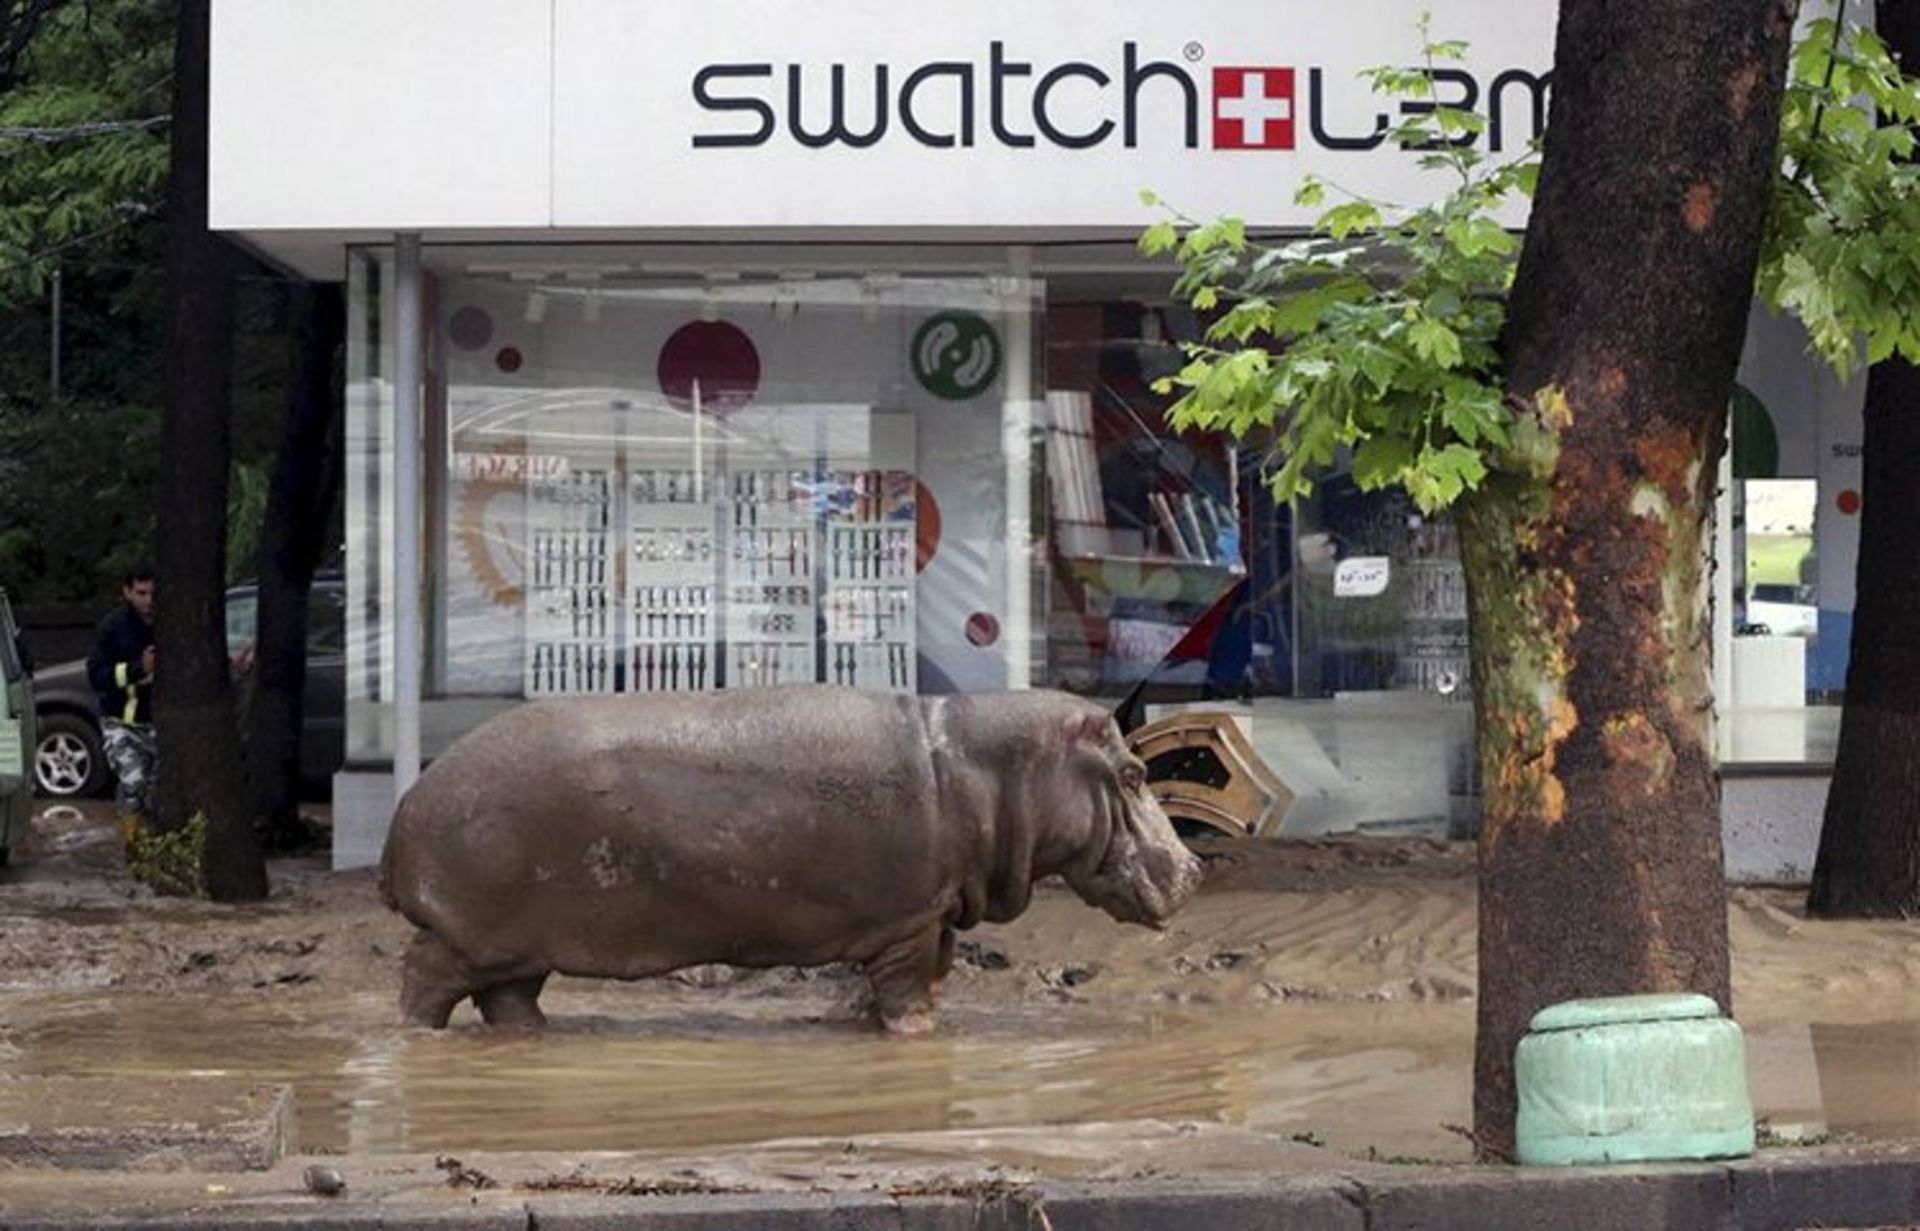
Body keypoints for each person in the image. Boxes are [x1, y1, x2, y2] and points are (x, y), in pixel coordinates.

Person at [87, 563, 158, 845]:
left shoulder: (172, 621)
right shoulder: (113, 627)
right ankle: (132, 846)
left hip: (160, 721)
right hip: (121, 722)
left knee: (157, 790)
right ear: (127, 592)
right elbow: (96, 675)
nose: (148, 600)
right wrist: (138, 669)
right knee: (133, 783)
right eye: (141, 593)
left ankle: (155, 842)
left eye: (153, 593)